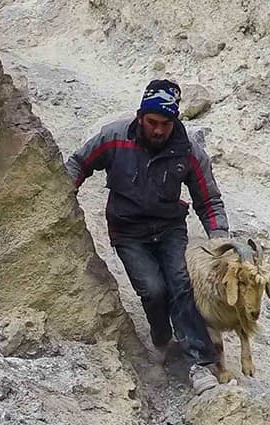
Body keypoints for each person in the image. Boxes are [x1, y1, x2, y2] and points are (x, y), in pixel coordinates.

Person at [66, 79, 231, 395]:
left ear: (175, 122)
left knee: (181, 284)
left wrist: (219, 240)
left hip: (169, 228)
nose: (157, 130)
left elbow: (208, 200)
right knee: (154, 290)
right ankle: (161, 338)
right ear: (141, 116)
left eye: (165, 124)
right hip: (128, 231)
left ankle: (200, 363)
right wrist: (61, 195)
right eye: (152, 122)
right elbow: (79, 162)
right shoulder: (115, 138)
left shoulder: (189, 152)